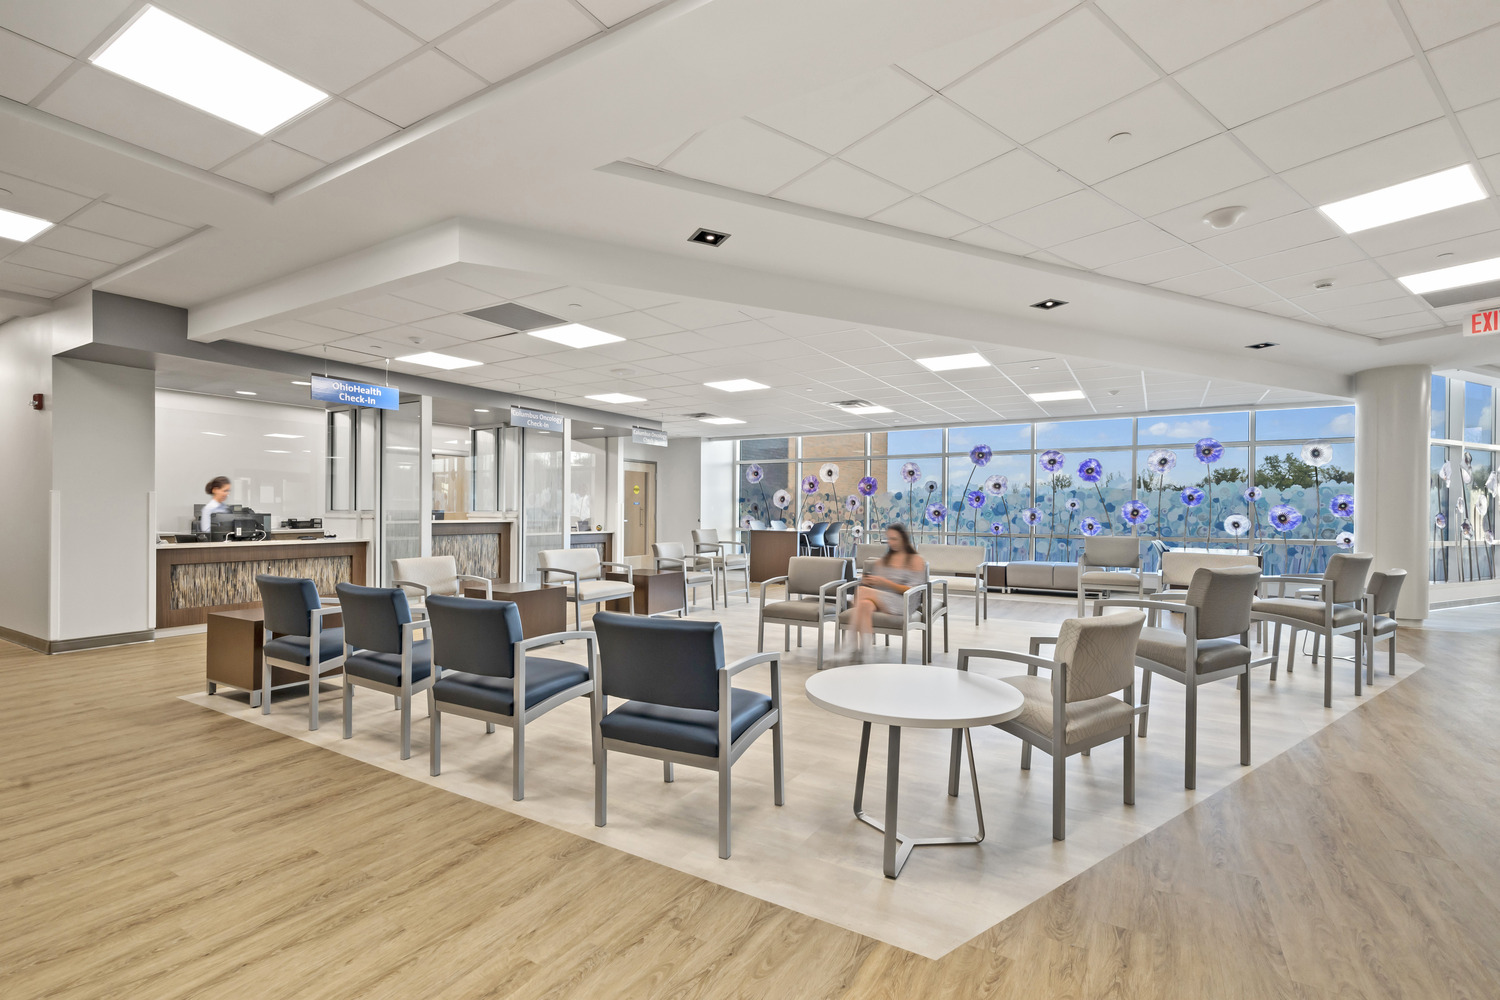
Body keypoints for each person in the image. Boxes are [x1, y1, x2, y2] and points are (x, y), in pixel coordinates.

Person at [844, 523, 926, 660]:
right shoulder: (885, 559)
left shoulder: (915, 560)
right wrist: (870, 580)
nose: (891, 542)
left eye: (894, 539)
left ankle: (850, 643)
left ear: (904, 539)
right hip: (884, 597)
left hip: (904, 601)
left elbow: (912, 590)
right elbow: (877, 582)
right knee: (864, 604)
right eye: (889, 539)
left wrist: (885, 582)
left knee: (862, 592)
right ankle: (866, 651)